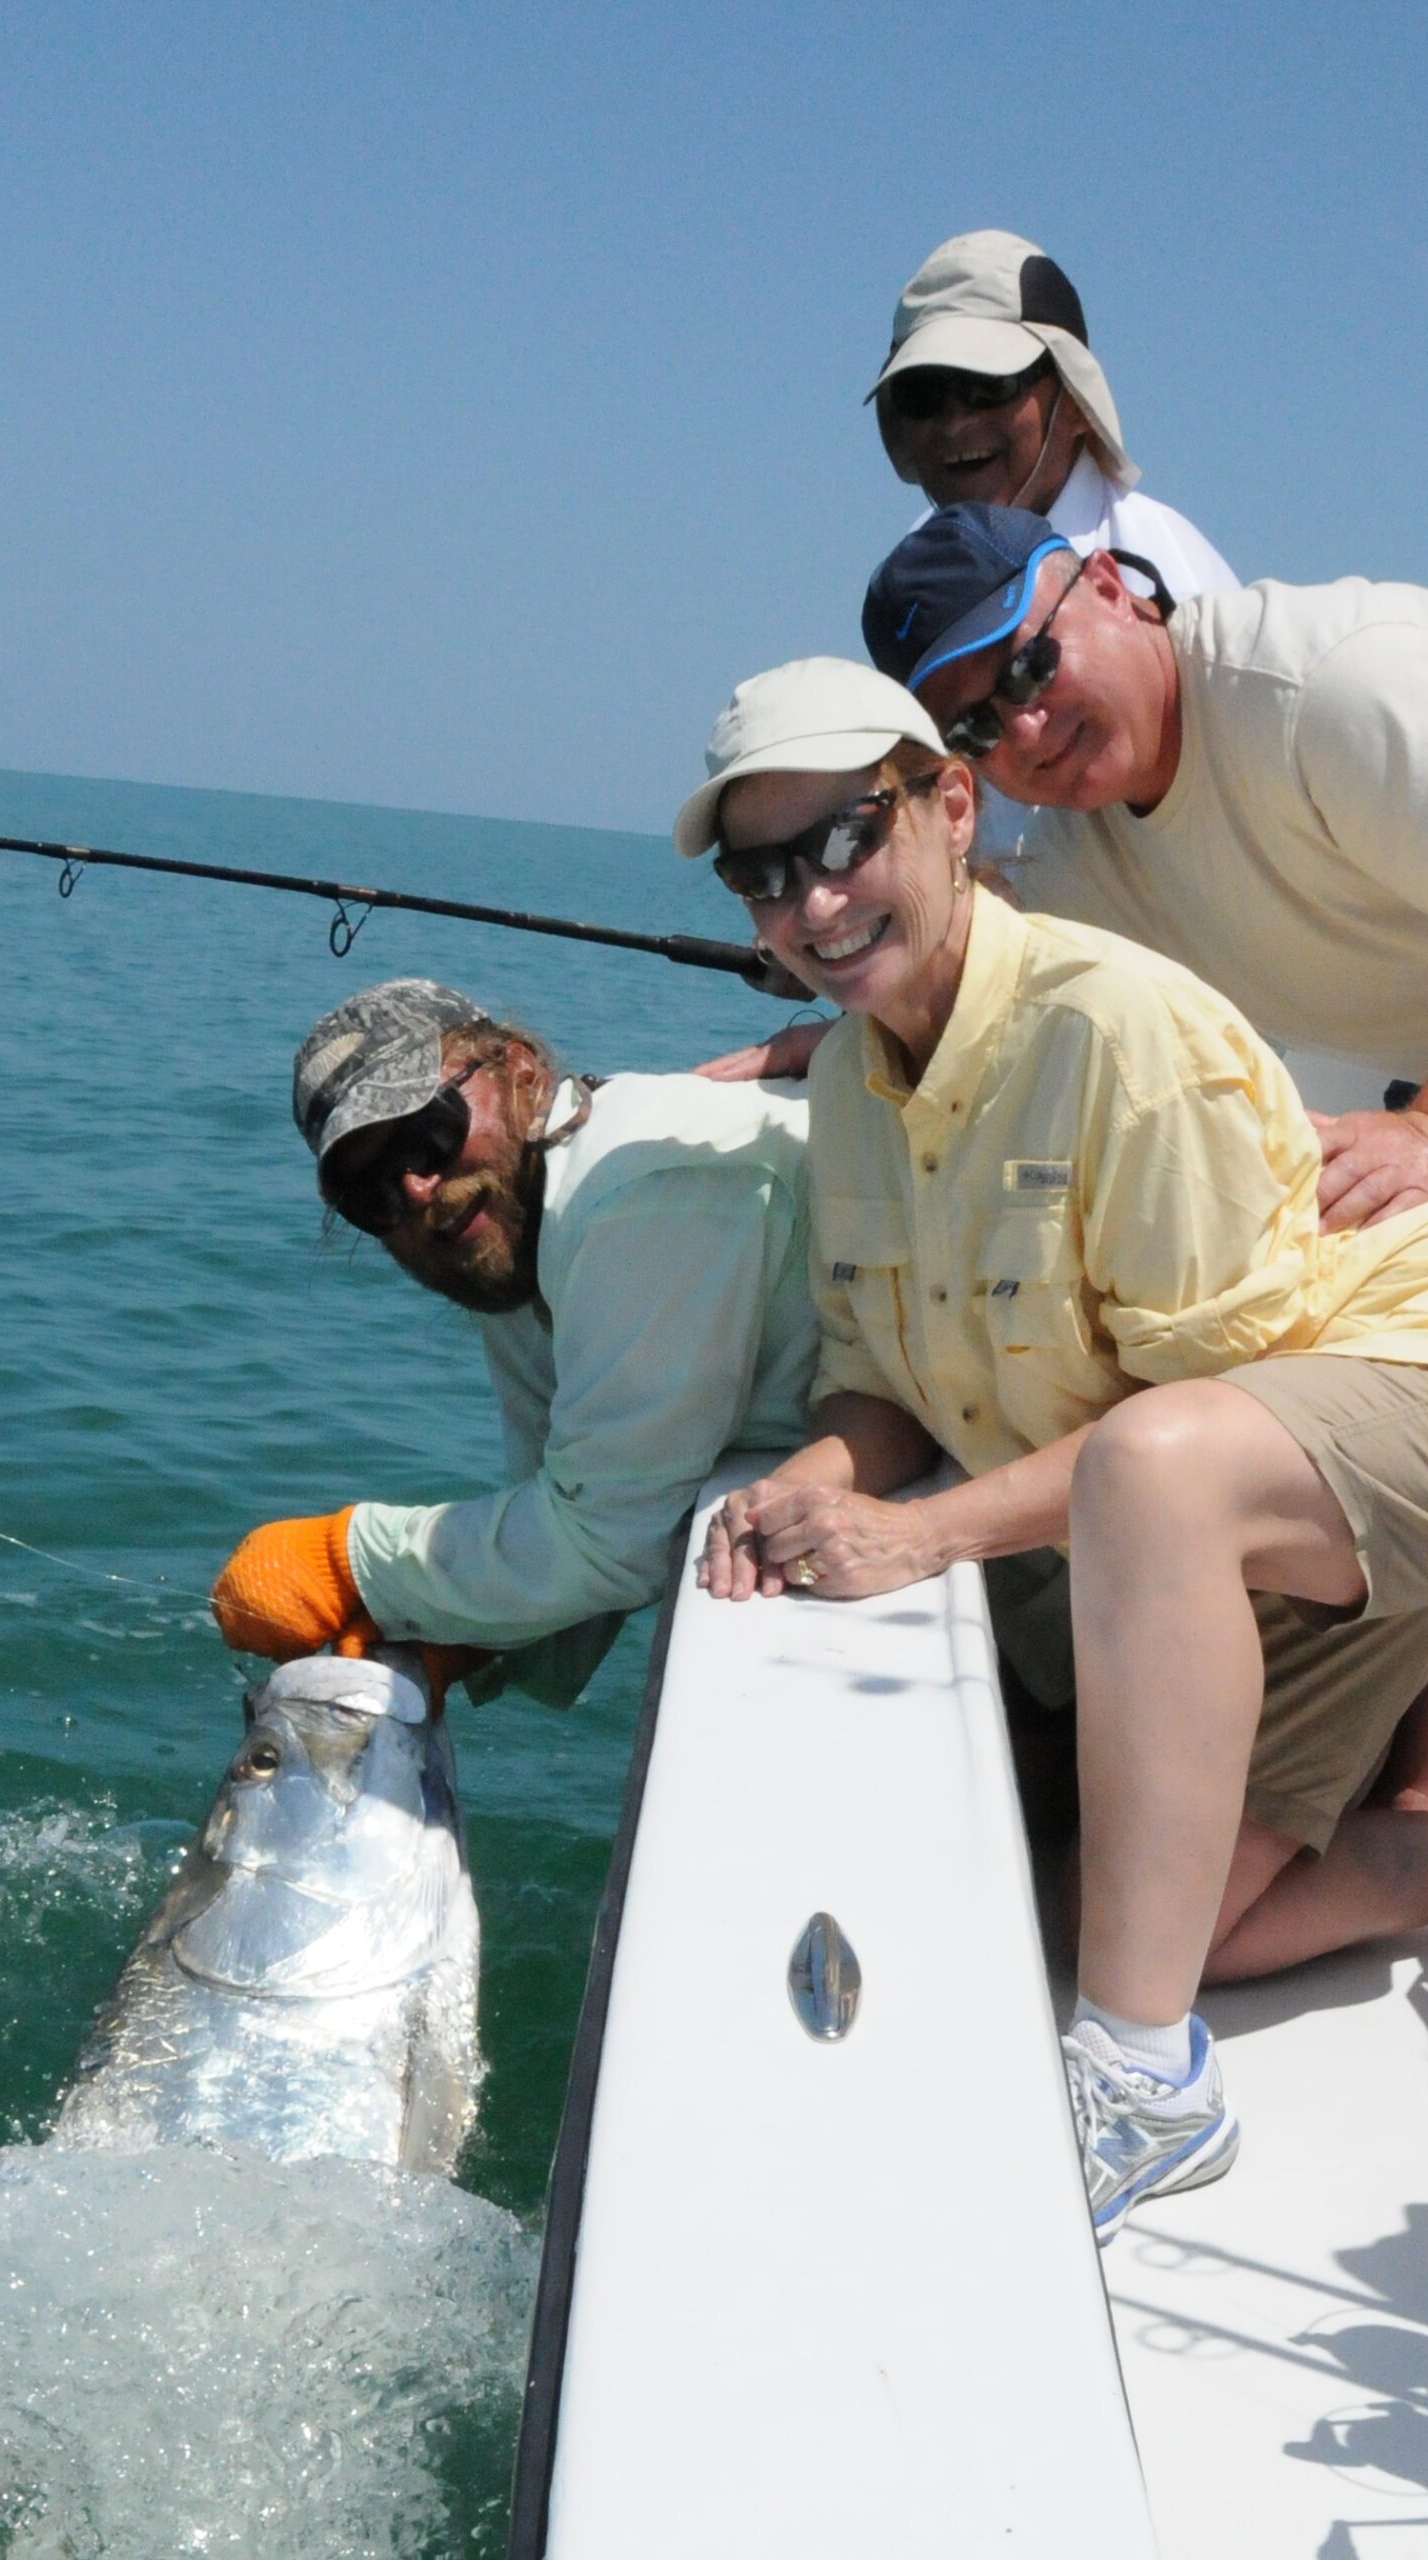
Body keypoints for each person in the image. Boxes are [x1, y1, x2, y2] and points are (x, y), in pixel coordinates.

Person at [675, 655, 1428, 2241]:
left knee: (1152, 1475)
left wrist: (927, 1536)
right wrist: (812, 1483)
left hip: (1359, 1398)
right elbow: (877, 1373)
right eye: (762, 873)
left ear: (954, 809)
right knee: (1096, 1908)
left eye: (843, 838)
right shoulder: (858, 1092)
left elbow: (1207, 1409)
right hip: (1236, 1516)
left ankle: (1148, 2086)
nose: (811, 904)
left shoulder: (1119, 1025)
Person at [210, 977, 819, 1706]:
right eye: (368, 1191)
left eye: (426, 1132)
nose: (415, 1190)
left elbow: (610, 1539)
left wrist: (348, 1560)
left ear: (521, 1068)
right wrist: (453, 1631)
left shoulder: (642, 1181)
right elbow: (570, 1502)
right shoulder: (514, 1240)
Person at [862, 501, 1428, 1206]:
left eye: (1027, 668)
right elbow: (984, 994)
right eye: (976, 727)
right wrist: (856, 1039)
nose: (1027, 731)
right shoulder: (1070, 862)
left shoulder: (1333, 691)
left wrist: (1417, 1138)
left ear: (1107, 586)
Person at [870, 228, 1237, 605]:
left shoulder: (1169, 580)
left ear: (1075, 400)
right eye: (922, 393)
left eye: (988, 385)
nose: (955, 422)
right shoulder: (914, 571)